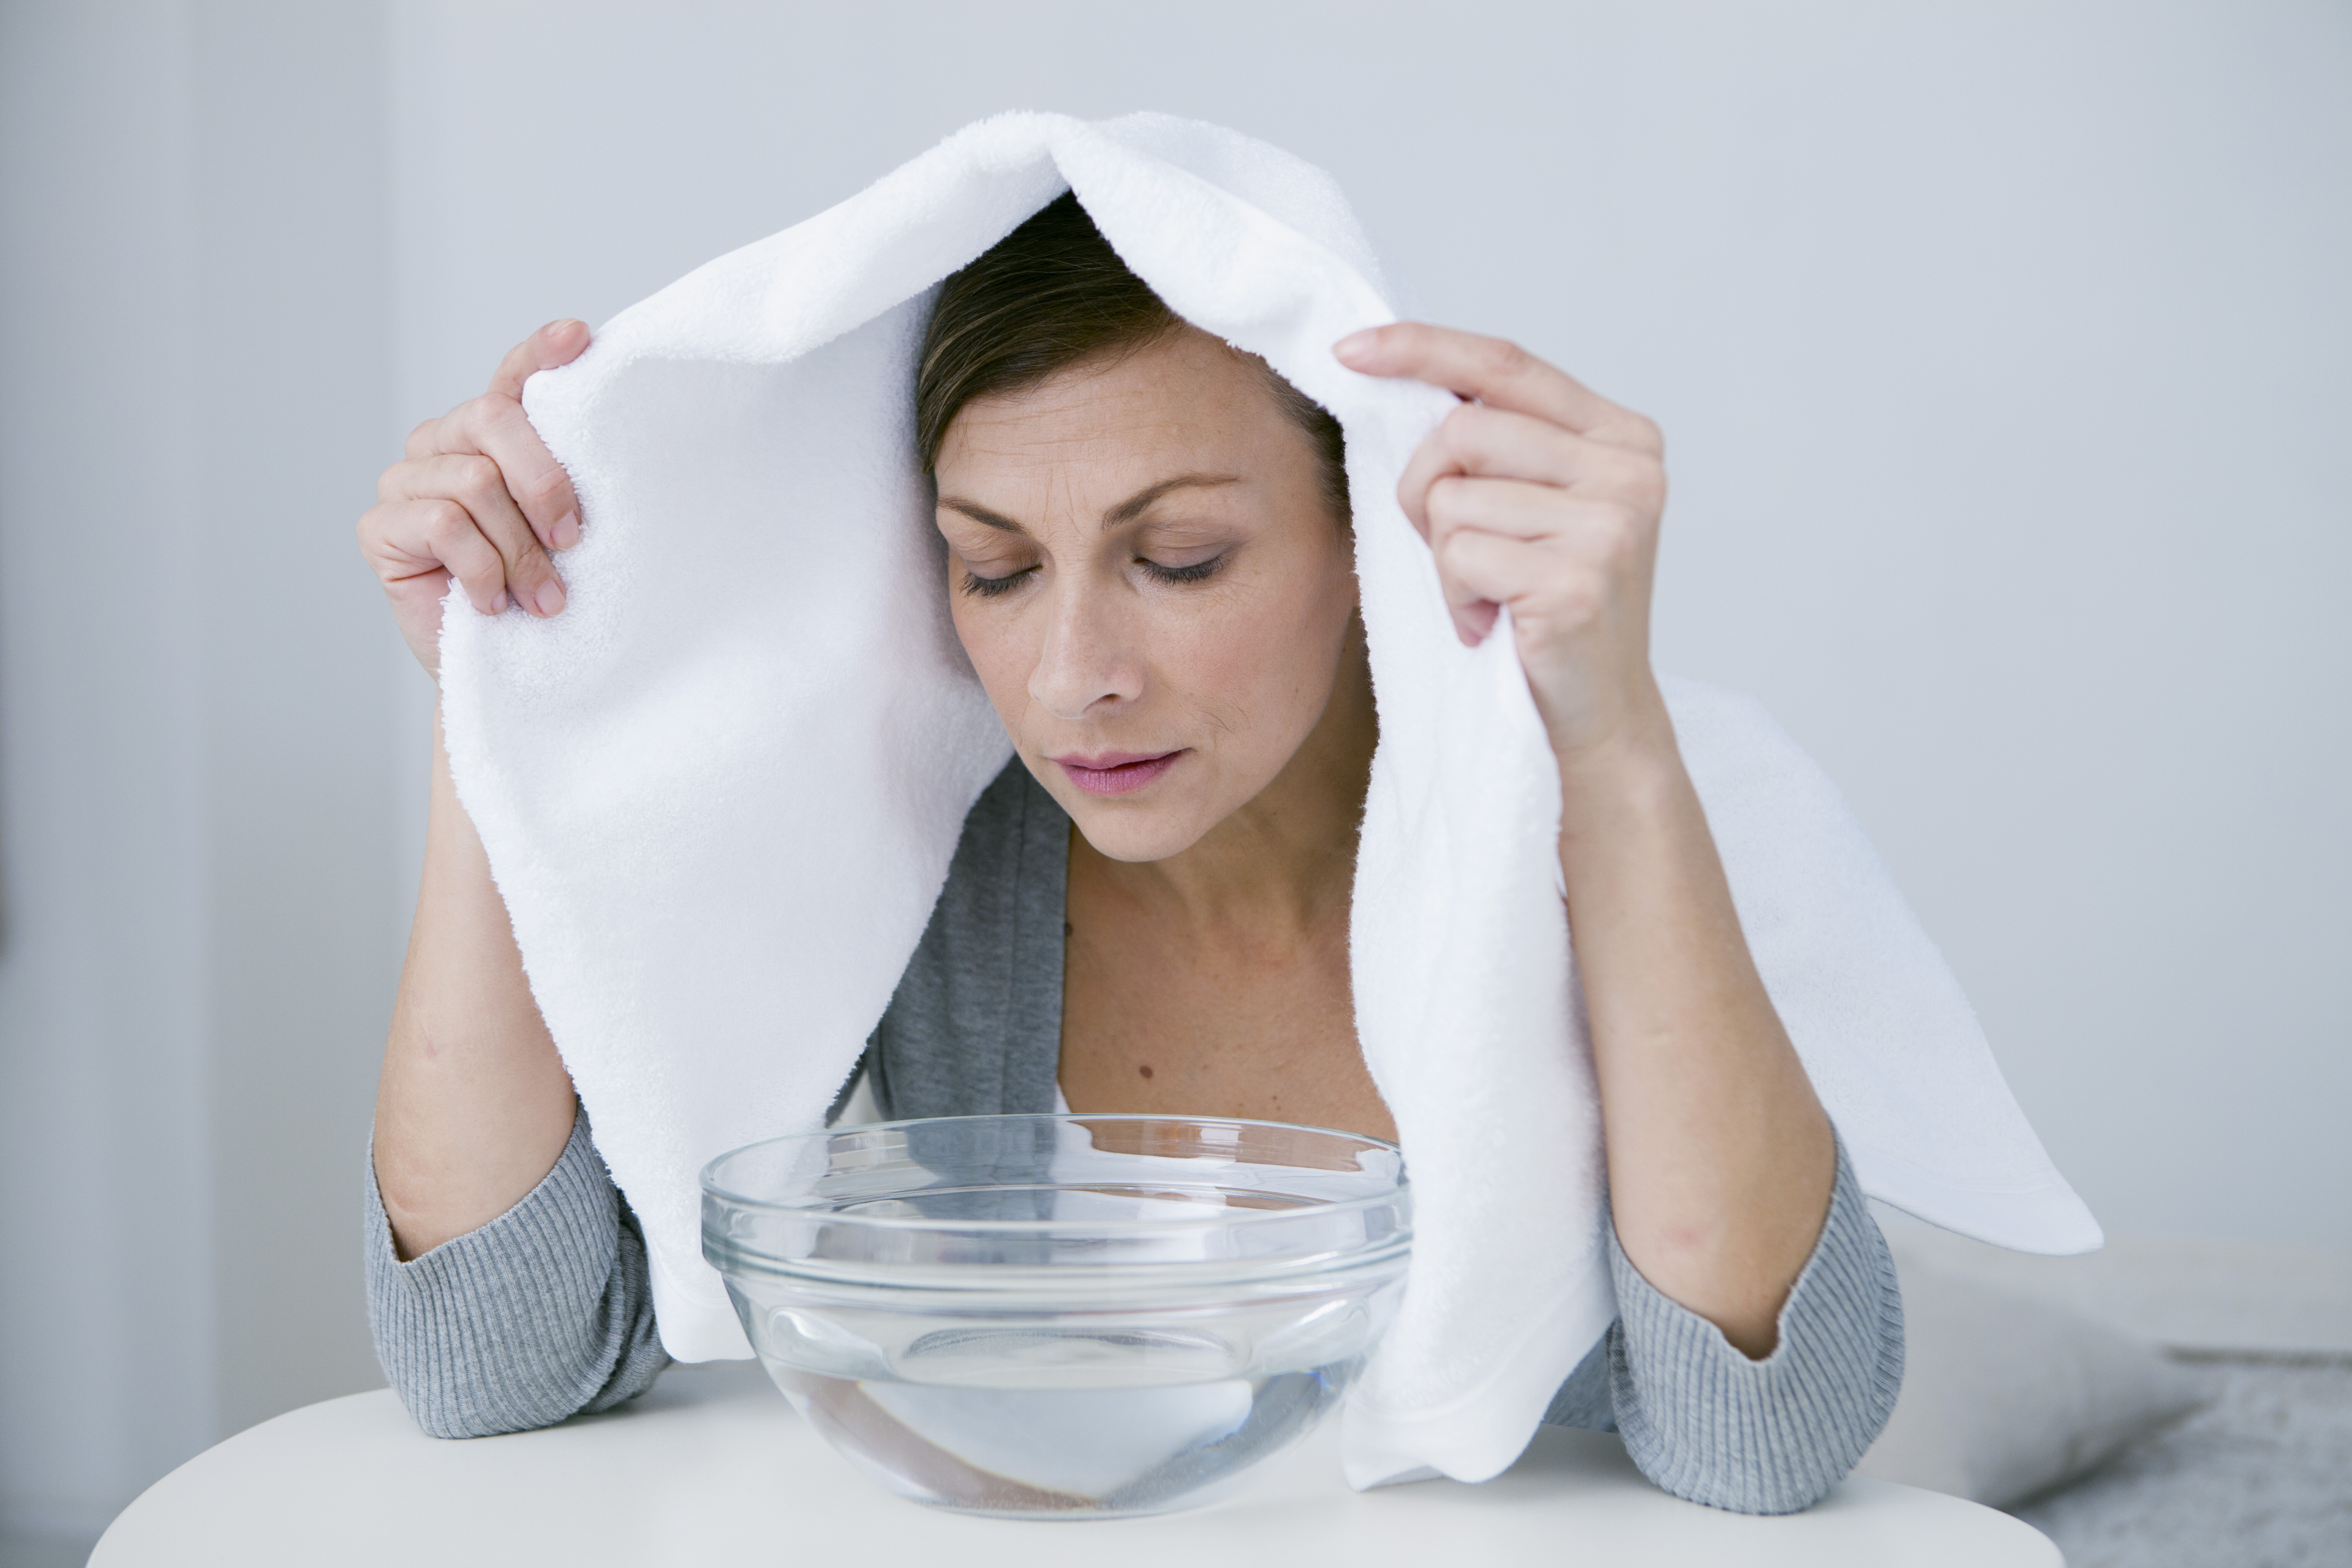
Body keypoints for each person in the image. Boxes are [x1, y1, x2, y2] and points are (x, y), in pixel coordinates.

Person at [357, 195, 1901, 1513]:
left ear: (1366, 526)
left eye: (1179, 561)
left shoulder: (1566, 831)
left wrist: (1614, 743)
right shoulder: (910, 860)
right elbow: (495, 1362)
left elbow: (1762, 1440)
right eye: (997, 569)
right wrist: (499, 701)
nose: (1072, 675)